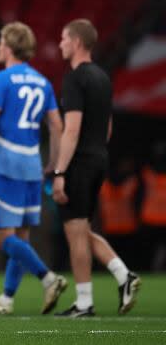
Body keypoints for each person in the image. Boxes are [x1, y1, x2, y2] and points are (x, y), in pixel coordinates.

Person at [51, 19, 141, 317]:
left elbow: (71, 129)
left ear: (77, 42)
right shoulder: (103, 77)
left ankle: (85, 303)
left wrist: (60, 172)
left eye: (64, 38)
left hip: (80, 161)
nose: (61, 43)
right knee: (83, 228)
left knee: (75, 233)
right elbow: (108, 127)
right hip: (99, 157)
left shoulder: (75, 78)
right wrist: (94, 152)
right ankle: (122, 275)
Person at [0, 22, 67, 315]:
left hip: (6, 163)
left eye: (2, 41)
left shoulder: (0, 79)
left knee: (1, 236)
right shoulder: (43, 82)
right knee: (21, 236)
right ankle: (6, 299)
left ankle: (48, 278)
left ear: (10, 46)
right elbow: (56, 125)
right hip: (32, 164)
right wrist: (54, 163)